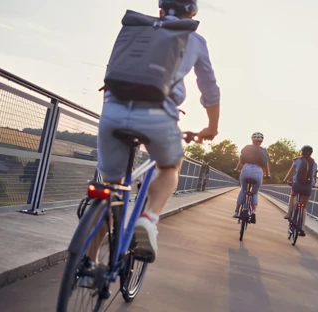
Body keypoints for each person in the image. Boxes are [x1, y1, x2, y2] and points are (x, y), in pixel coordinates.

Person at [91, 0, 220, 263]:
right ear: (192, 14)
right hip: (157, 115)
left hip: (113, 112)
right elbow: (210, 89)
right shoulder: (193, 39)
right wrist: (212, 127)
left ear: (160, 10)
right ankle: (148, 219)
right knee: (170, 167)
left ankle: (87, 265)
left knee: (111, 189)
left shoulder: (136, 29)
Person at [232, 132, 271, 223]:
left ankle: (236, 211)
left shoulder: (246, 148)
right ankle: (253, 212)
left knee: (243, 190)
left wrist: (236, 169)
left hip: (246, 169)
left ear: (252, 139)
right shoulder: (264, 151)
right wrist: (267, 174)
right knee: (255, 193)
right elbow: (266, 164)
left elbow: (241, 161)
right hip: (258, 171)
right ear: (261, 141)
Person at [283, 145, 318, 236]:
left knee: (293, 195)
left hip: (297, 185)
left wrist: (286, 180)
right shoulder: (314, 163)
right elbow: (314, 177)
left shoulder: (297, 160)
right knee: (303, 207)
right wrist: (312, 185)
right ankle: (301, 228)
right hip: (307, 187)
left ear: (301, 152)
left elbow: (290, 173)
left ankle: (289, 214)